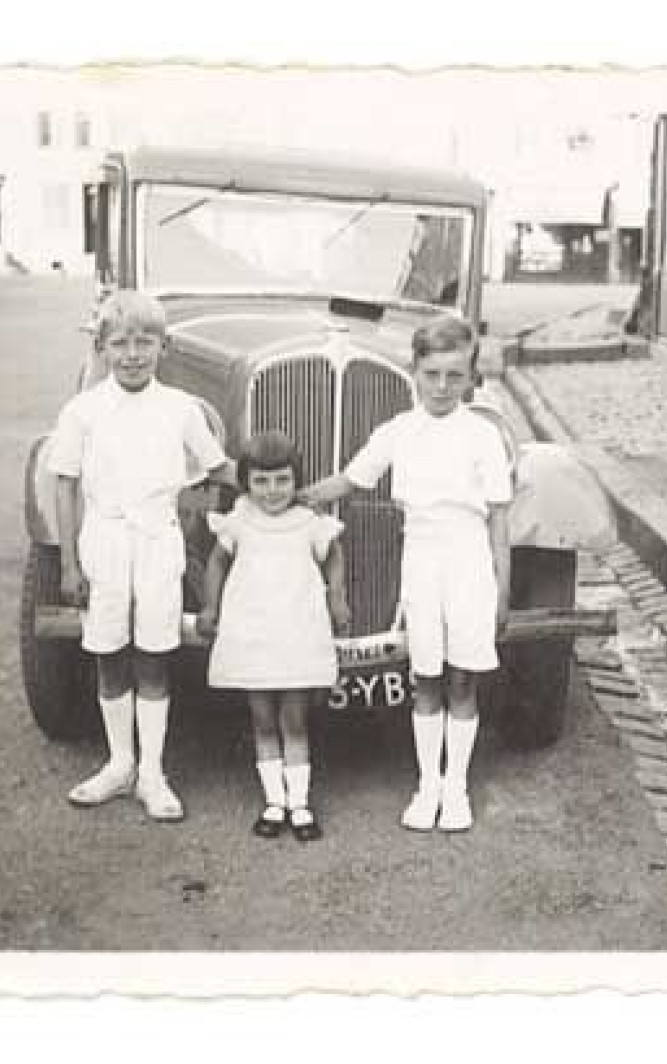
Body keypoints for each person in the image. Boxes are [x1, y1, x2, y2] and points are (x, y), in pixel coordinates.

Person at [301, 315, 511, 833]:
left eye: (454, 376)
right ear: (414, 371)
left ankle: (456, 787)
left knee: (464, 679)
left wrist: (502, 591)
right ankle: (427, 786)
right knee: (426, 677)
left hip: (469, 563)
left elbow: (499, 521)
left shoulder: (483, 435)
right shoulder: (398, 431)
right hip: (420, 558)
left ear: (471, 379)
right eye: (431, 374)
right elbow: (351, 481)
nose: (441, 387)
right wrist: (293, 498)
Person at [45, 290, 229, 821]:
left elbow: (217, 468)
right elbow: (65, 484)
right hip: (103, 541)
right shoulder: (83, 410)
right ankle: (118, 764)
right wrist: (69, 565)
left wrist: (280, 482)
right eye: (119, 343)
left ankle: (152, 772)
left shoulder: (180, 409)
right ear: (101, 348)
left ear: (163, 347)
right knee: (108, 653)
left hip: (158, 542)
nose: (131, 354)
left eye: (143, 342)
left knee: (153, 655)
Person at [197, 431, 350, 843]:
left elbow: (333, 554)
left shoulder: (308, 522)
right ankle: (273, 802)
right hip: (252, 633)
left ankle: (299, 805)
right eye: (261, 481)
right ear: (245, 482)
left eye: (282, 480)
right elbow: (216, 562)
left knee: (294, 718)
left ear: (296, 480)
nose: (272, 491)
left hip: (296, 630)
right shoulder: (240, 518)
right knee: (262, 717)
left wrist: (336, 598)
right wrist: (210, 608)